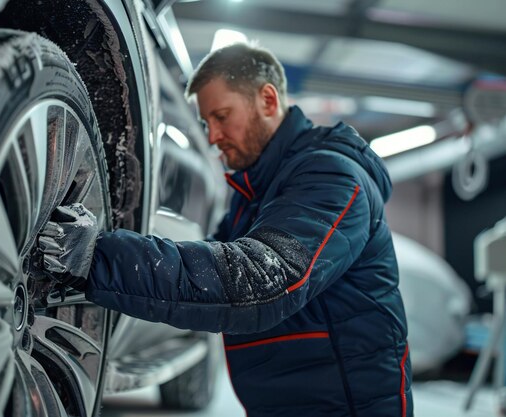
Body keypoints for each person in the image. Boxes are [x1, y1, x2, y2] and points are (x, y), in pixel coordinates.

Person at [37, 42, 413, 417]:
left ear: (267, 100)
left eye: (221, 115)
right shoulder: (254, 195)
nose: (212, 137)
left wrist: (99, 256)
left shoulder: (332, 177)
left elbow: (259, 281)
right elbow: (199, 287)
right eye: (206, 123)